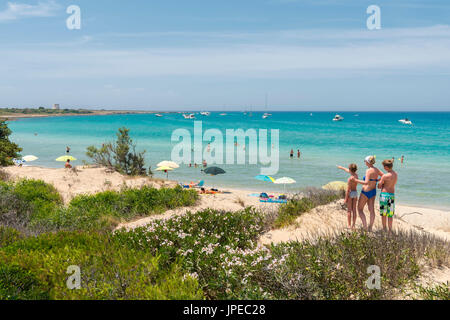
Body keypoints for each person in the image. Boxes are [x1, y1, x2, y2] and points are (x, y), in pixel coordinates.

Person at [355, 156, 384, 231]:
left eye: (365, 161)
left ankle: (365, 227)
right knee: (371, 210)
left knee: (360, 209)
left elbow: (366, 182)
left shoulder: (368, 170)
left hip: (366, 191)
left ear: (368, 162)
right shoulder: (376, 169)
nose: (364, 162)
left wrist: (356, 180)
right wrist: (377, 180)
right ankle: (370, 227)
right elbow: (383, 176)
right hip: (373, 191)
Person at [378, 159, 398, 233]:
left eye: (384, 167)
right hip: (391, 195)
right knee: (390, 214)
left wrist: (380, 183)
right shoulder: (395, 174)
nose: (383, 168)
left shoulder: (385, 176)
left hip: (384, 195)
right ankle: (390, 230)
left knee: (384, 213)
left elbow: (379, 186)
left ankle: (384, 228)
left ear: (386, 167)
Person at [337, 164, 359, 230]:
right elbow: (347, 170)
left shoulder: (350, 179)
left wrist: (346, 199)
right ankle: (354, 225)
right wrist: (341, 167)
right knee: (354, 210)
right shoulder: (356, 175)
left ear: (350, 170)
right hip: (355, 193)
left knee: (349, 210)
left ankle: (349, 225)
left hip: (350, 193)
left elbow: (348, 190)